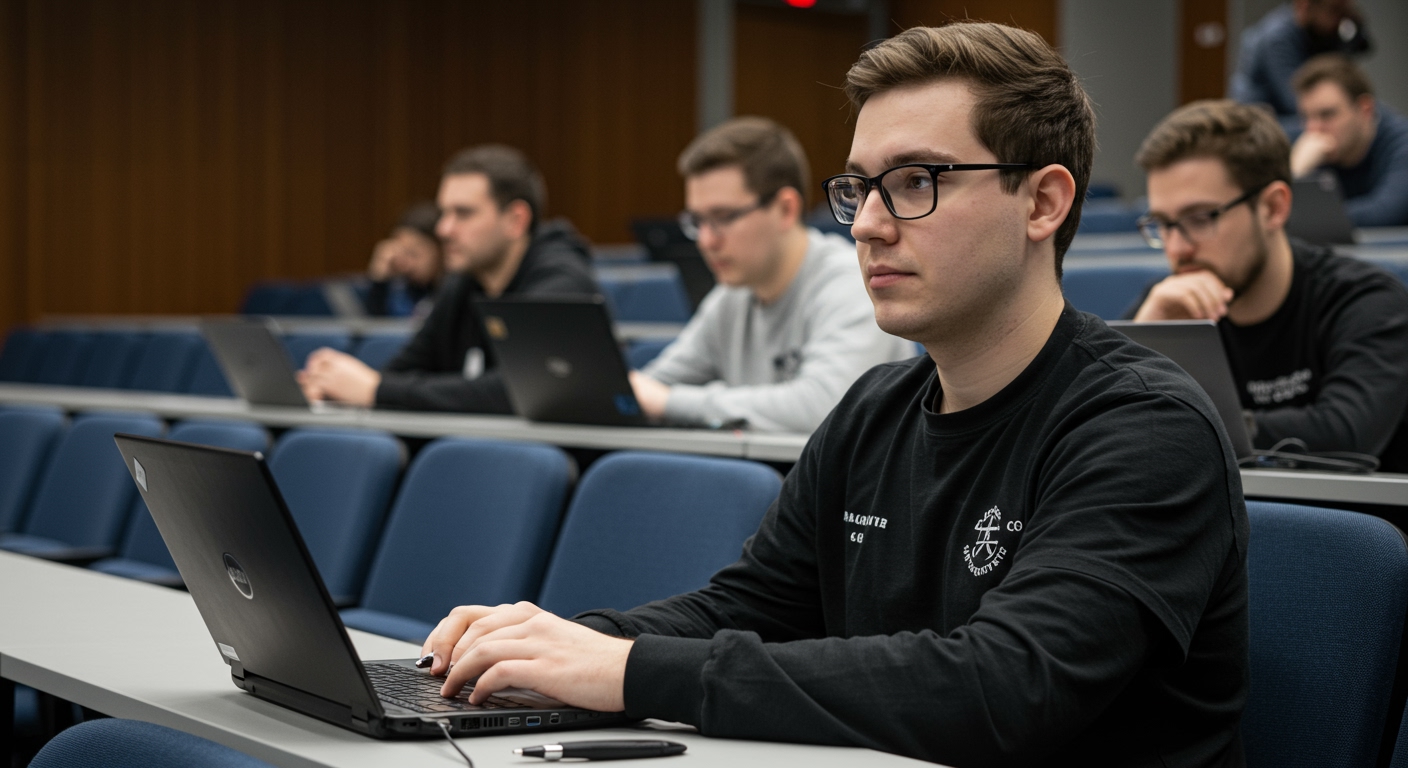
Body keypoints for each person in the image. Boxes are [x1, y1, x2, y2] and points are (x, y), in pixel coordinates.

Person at [421, 22, 1250, 766]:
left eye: (916, 181)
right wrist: (556, 645)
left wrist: (626, 672)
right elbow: (748, 606)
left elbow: (1003, 688)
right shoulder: (873, 409)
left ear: (1043, 201)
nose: (866, 225)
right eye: (859, 187)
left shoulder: (1144, 424)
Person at [1130, 99, 1408, 471]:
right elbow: (1090, 429)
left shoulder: (1366, 300)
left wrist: (1180, 424)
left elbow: (1346, 434)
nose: (1177, 248)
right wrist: (1140, 342)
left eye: (1200, 218)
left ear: (1274, 208)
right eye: (1163, 224)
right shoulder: (1164, 308)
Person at [628, 117, 915, 433]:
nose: (707, 241)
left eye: (723, 217)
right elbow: (649, 389)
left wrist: (671, 402)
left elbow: (824, 408)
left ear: (785, 209)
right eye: (698, 221)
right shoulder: (732, 296)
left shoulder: (852, 285)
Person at [298, 145, 597, 412]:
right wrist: (336, 386)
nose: (443, 229)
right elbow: (408, 366)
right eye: (444, 213)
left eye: (463, 214)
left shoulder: (562, 282)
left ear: (516, 220)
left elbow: (524, 389)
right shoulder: (462, 284)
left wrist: (377, 390)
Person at [1289, 54, 1408, 226]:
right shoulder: (1303, 144)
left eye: (1327, 114)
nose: (1313, 129)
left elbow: (1387, 213)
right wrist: (1296, 171)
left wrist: (1309, 217)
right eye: (1306, 117)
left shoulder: (1401, 145)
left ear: (1365, 109)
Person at [1230, 0, 1371, 128]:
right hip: (1262, 125)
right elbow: (1298, 101)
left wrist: (1355, 23)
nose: (1340, 19)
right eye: (1335, 10)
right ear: (1304, 6)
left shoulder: (1322, 32)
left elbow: (1361, 48)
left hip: (1293, 117)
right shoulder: (1278, 39)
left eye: (1344, 11)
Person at [363, 201, 444, 318]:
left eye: (414, 254)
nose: (404, 264)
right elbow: (374, 331)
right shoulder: (397, 289)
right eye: (401, 254)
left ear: (440, 251)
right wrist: (379, 282)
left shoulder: (457, 292)